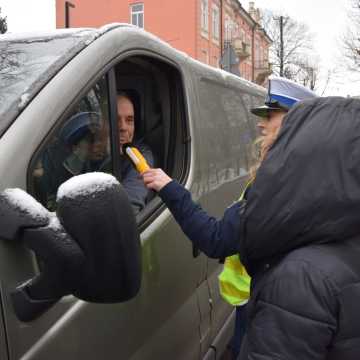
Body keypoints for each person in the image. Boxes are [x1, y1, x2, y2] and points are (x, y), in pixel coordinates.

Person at [140, 80, 360, 359]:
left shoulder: (282, 202)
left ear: (300, 128)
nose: (260, 125)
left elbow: (216, 238)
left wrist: (171, 189)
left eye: (271, 116)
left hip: (262, 307)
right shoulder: (329, 196)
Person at [117, 92, 154, 214]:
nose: (123, 127)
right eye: (115, 120)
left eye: (129, 120)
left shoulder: (141, 155)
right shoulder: (92, 149)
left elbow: (127, 210)